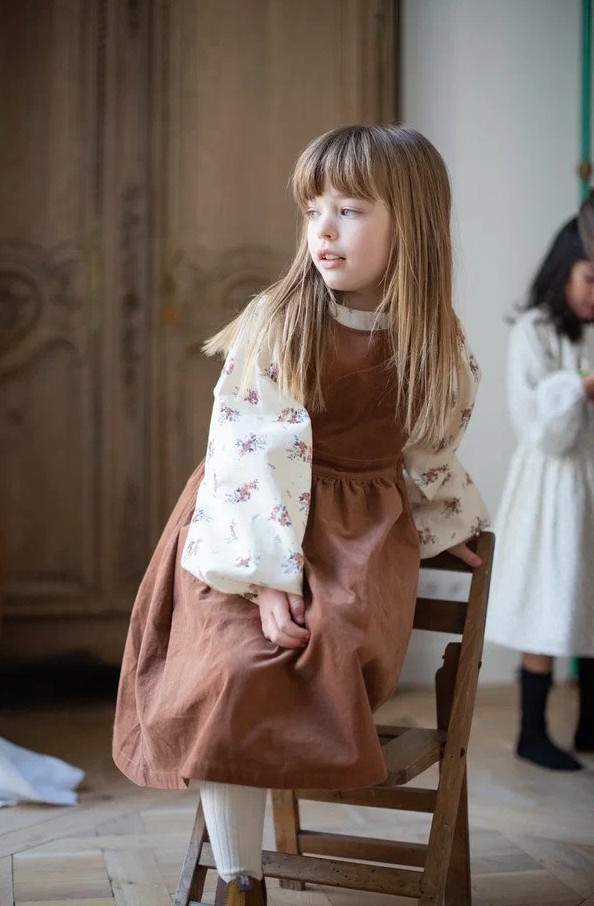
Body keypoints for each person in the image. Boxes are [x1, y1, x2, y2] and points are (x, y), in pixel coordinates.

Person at [112, 124, 489, 905]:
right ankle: (239, 879)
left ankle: (246, 862)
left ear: (412, 223)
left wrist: (448, 523)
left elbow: (430, 446)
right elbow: (250, 452)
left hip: (356, 541)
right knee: (236, 670)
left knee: (322, 651)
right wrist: (266, 580)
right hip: (245, 527)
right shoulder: (281, 321)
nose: (323, 230)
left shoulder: (436, 341)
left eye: (349, 210)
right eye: (313, 210)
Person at [486, 201, 594, 772]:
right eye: (589, 278)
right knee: (552, 596)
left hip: (591, 481)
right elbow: (541, 430)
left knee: (590, 593)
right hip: (553, 487)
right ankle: (532, 730)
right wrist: (579, 387)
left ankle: (590, 722)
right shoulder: (534, 331)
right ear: (563, 270)